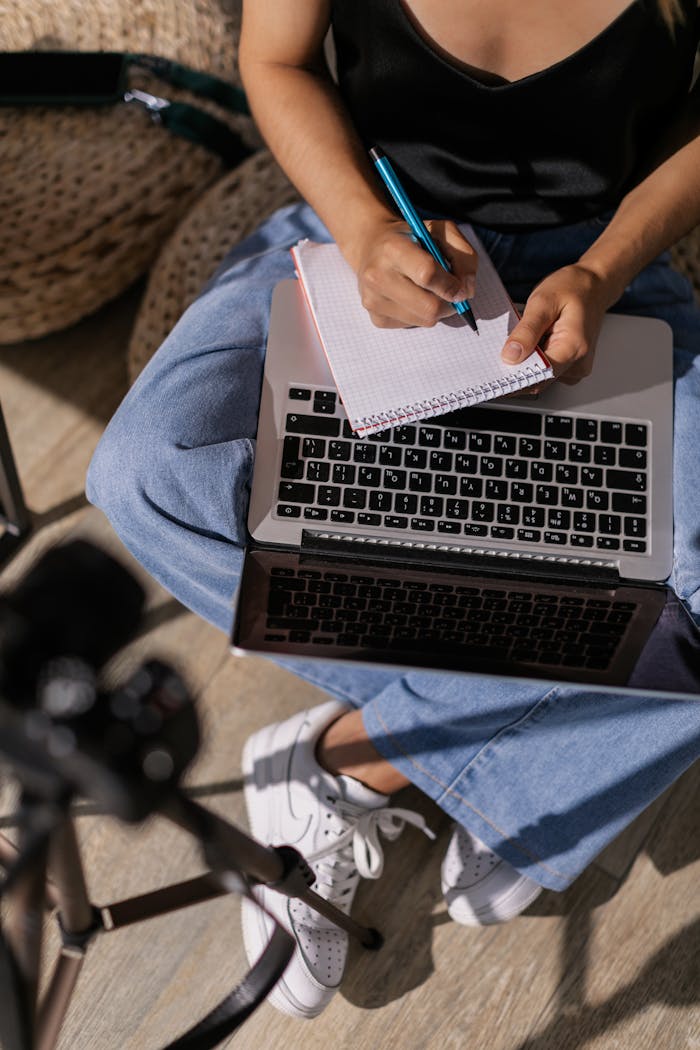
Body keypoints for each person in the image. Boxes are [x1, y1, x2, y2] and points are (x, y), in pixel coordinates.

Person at [87, 0, 700, 1021]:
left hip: (608, 278)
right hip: (367, 235)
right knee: (148, 470)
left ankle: (354, 764)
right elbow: (276, 59)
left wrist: (604, 268)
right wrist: (367, 230)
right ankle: (518, 757)